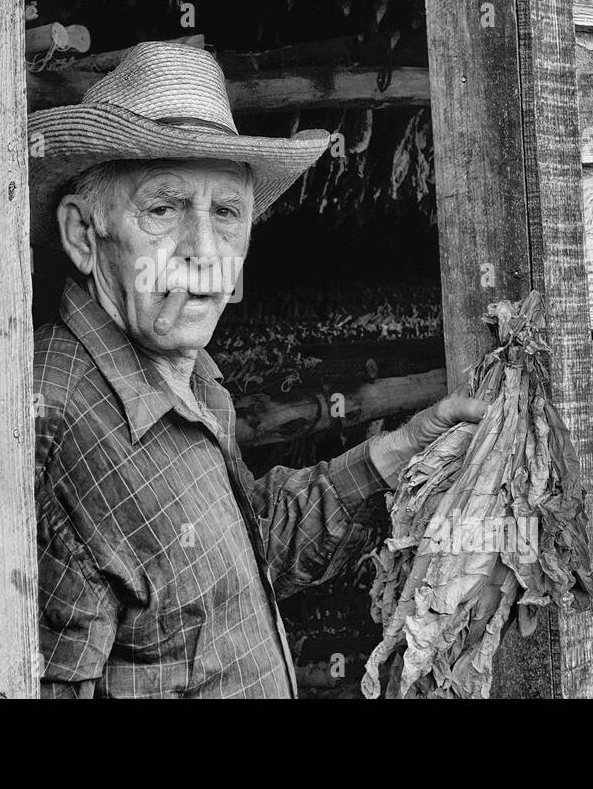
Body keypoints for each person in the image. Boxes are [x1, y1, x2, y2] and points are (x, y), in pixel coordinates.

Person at [29, 41, 487, 697]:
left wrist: (399, 453)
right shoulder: (55, 420)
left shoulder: (193, 380)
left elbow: (247, 547)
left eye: (226, 213)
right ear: (82, 233)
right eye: (163, 208)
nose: (204, 252)